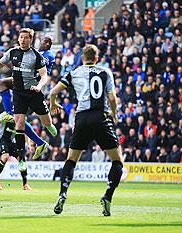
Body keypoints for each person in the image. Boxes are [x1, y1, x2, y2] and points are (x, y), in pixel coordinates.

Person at [50, 44, 124, 216]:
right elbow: (112, 98)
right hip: (101, 117)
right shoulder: (105, 72)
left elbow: (53, 92)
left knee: (71, 160)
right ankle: (108, 196)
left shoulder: (74, 72)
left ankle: (63, 193)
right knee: (117, 161)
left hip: (82, 118)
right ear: (97, 58)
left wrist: (53, 103)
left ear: (82, 58)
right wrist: (114, 114)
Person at [0, 28, 57, 172]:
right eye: (21, 37)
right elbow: (0, 67)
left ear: (30, 39)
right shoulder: (12, 52)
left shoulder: (38, 56)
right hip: (19, 93)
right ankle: (22, 159)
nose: (22, 40)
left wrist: (39, 86)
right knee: (18, 124)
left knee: (47, 123)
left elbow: (44, 76)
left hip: (34, 92)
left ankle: (49, 126)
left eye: (25, 38)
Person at [0, 112, 31, 191]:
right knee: (5, 156)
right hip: (2, 139)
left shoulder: (22, 118)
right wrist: (1, 121)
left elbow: (26, 132)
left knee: (21, 159)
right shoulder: (5, 114)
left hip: (11, 141)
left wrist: (29, 144)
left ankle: (25, 184)